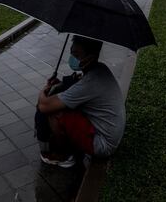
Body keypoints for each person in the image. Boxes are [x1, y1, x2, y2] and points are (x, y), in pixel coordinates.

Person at [36, 36, 125, 167]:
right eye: (72, 52)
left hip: (103, 145)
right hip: (109, 131)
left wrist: (44, 90)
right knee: (67, 106)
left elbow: (44, 106)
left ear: (91, 56)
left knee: (55, 113)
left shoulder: (90, 82)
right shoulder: (100, 68)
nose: (73, 57)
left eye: (77, 54)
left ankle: (64, 156)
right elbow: (78, 90)